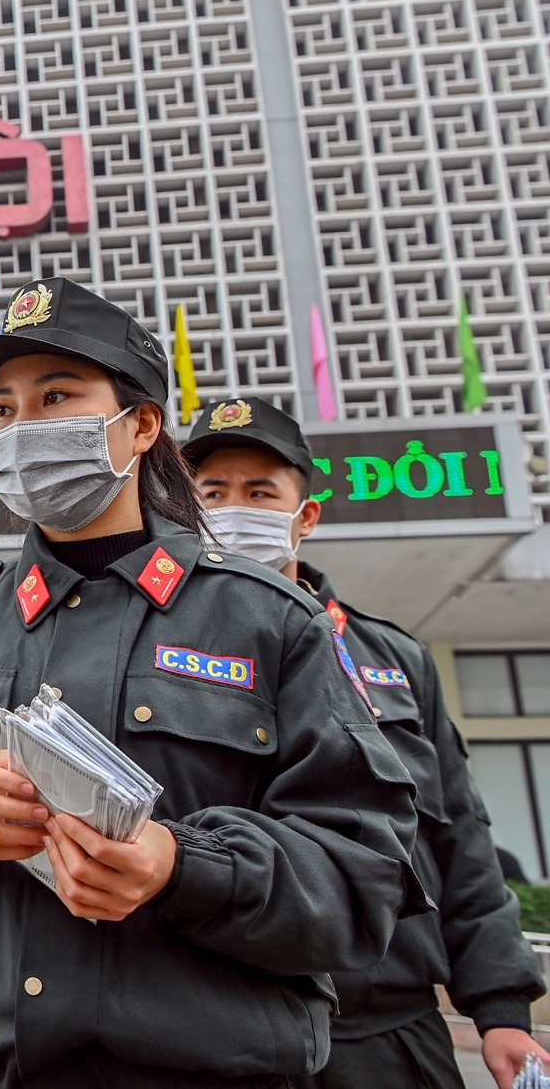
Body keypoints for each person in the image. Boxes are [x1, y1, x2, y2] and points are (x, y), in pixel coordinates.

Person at [0, 276, 423, 1087]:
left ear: (140, 425)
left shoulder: (269, 622)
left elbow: (360, 883)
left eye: (57, 395)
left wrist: (184, 866)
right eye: (3, 409)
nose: (23, 428)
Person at [185, 395, 548, 1089]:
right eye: (214, 491)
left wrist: (501, 1007)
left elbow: (460, 838)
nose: (236, 508)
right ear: (186, 510)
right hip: (218, 1024)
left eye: (260, 491)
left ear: (306, 516)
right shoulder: (155, 653)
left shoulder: (393, 658)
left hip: (387, 1031)